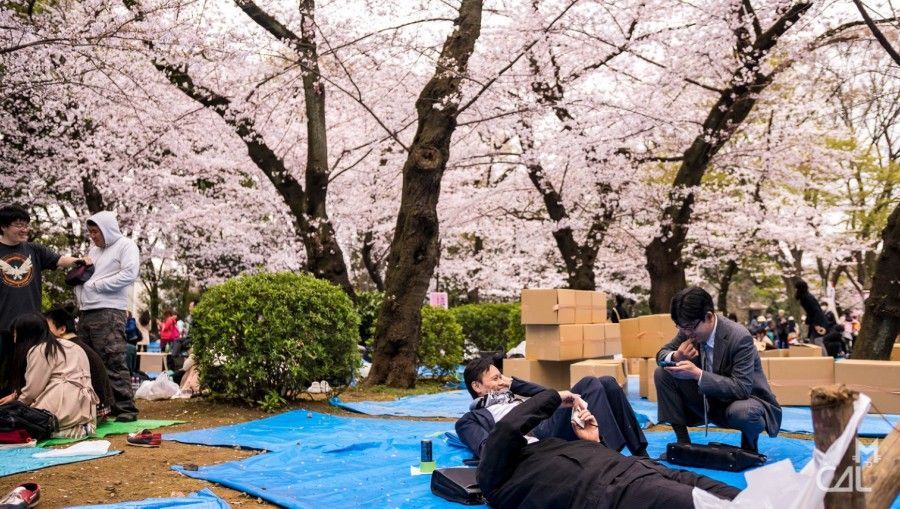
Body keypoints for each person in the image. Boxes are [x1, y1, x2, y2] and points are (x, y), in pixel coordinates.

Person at [477, 388, 741, 509]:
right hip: (617, 492)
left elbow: (580, 466)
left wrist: (594, 444)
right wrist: (554, 398)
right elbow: (507, 430)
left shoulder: (547, 446)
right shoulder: (493, 475)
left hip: (641, 470)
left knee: (745, 499)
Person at [654, 287, 782, 453]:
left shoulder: (739, 336)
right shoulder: (688, 330)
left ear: (708, 316)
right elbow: (660, 355)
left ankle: (750, 446)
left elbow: (742, 388)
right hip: (707, 401)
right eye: (681, 327)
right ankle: (682, 443)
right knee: (663, 373)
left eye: (690, 327)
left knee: (747, 413)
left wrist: (697, 374)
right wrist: (676, 356)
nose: (687, 333)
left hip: (739, 402)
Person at [456, 357, 648, 459]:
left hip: (549, 422)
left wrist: (512, 383)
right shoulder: (470, 419)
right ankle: (612, 459)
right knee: (589, 383)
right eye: (496, 378)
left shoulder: (511, 397)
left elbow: (550, 397)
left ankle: (641, 453)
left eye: (502, 377)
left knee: (607, 383)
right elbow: (487, 449)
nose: (501, 383)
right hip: (538, 436)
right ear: (477, 386)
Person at [0, 204, 85, 384]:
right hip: (2, 325)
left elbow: (60, 260)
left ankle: (19, 409)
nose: (24, 229)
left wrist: (78, 260)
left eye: (26, 224)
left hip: (30, 328)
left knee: (25, 374)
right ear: (3, 226)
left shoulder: (34, 250)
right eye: (18, 225)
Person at [74, 211, 140, 422]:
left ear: (107, 229)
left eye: (96, 231)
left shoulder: (125, 245)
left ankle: (126, 408)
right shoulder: (93, 250)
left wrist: (97, 286)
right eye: (91, 232)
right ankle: (103, 406)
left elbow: (130, 273)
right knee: (89, 360)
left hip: (110, 310)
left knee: (113, 359)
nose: (93, 236)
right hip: (86, 311)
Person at [0, 313, 98, 438]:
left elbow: (32, 391)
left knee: (6, 417)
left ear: (25, 335)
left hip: (57, 413)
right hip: (84, 411)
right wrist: (14, 396)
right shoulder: (73, 346)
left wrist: (16, 405)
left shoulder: (40, 350)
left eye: (15, 335)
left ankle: (63, 431)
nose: (14, 340)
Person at [45, 304, 115, 420]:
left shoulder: (68, 347)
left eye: (47, 329)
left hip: (91, 409)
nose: (45, 333)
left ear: (62, 329)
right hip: (100, 405)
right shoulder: (77, 344)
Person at [794, 280, 828, 344]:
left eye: (796, 288)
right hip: (815, 321)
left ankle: (824, 354)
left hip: (818, 322)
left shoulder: (807, 298)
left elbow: (816, 311)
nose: (795, 290)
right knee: (812, 342)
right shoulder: (806, 297)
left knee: (817, 341)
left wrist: (817, 324)